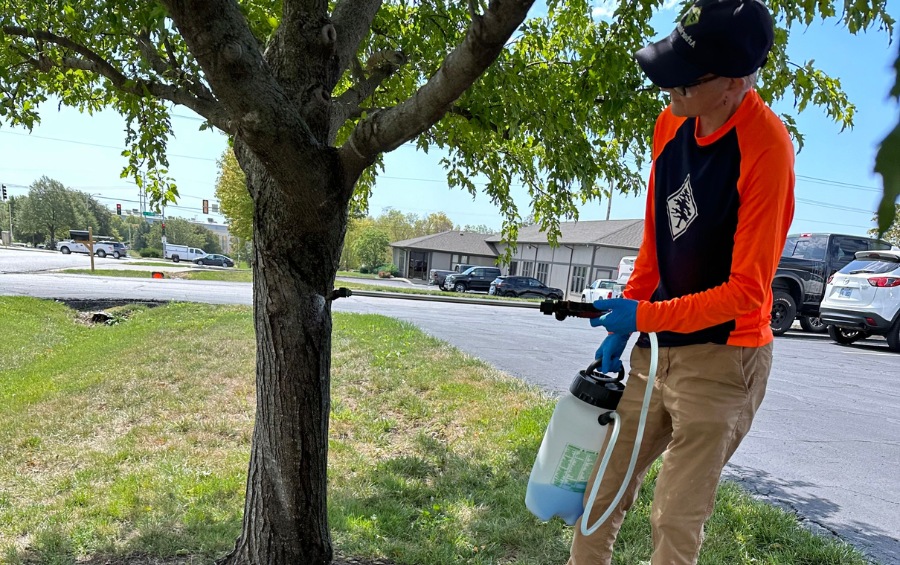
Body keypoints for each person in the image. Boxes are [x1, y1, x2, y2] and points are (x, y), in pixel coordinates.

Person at [567, 1, 795, 564]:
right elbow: (656, 239)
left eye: (685, 79)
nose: (669, 89)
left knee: (674, 516)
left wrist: (642, 317)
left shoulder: (766, 151)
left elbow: (745, 291)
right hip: (657, 346)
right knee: (602, 487)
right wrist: (630, 313)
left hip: (723, 359)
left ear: (734, 83)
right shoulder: (671, 123)